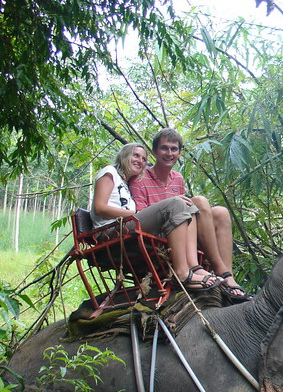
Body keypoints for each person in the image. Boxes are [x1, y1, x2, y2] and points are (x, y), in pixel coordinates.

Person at [129, 128, 250, 302]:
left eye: (174, 149)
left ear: (179, 153)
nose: (169, 153)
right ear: (155, 151)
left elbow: (187, 210)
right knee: (197, 201)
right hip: (162, 235)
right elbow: (143, 216)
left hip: (184, 230)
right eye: (164, 148)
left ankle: (227, 275)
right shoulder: (140, 179)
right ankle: (216, 269)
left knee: (220, 212)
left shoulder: (177, 178)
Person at [91, 143, 222, 290]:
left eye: (143, 159)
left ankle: (195, 266)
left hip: (125, 227)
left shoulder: (127, 185)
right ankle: (182, 273)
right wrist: (134, 214)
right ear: (124, 155)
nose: (140, 161)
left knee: (187, 205)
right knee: (176, 203)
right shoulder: (110, 172)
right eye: (136, 155)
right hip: (109, 232)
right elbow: (99, 207)